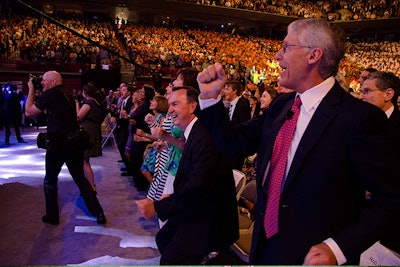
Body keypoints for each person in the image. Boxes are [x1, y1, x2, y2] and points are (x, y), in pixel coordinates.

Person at [196, 18, 400, 265]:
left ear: (313, 55)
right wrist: (209, 99)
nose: (277, 56)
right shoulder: (282, 105)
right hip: (265, 247)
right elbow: (233, 142)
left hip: (313, 257)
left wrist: (337, 249)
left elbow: (390, 199)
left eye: (286, 47)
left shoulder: (360, 118)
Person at [136, 86, 239, 264]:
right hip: (198, 206)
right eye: (169, 105)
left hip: (209, 218)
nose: (169, 109)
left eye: (175, 103)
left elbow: (199, 188)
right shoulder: (193, 131)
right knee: (163, 238)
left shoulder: (203, 135)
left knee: (170, 259)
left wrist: (158, 207)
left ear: (192, 106)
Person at [25, 71, 106, 225]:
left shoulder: (50, 95)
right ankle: (99, 213)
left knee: (50, 180)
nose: (41, 82)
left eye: (44, 80)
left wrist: (30, 90)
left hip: (57, 144)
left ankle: (52, 216)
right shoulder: (68, 94)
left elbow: (29, 112)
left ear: (53, 82)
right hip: (73, 143)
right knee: (81, 179)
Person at [358, 70, 400, 253]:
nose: (361, 96)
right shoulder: (360, 123)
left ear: (388, 94)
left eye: (367, 91)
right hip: (362, 214)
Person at [76, 82, 104, 192]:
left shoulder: (88, 103)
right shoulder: (97, 103)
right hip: (94, 130)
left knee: (85, 161)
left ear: (85, 93)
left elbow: (78, 117)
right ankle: (91, 185)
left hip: (88, 131)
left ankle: (92, 186)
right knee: (85, 160)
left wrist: (77, 104)